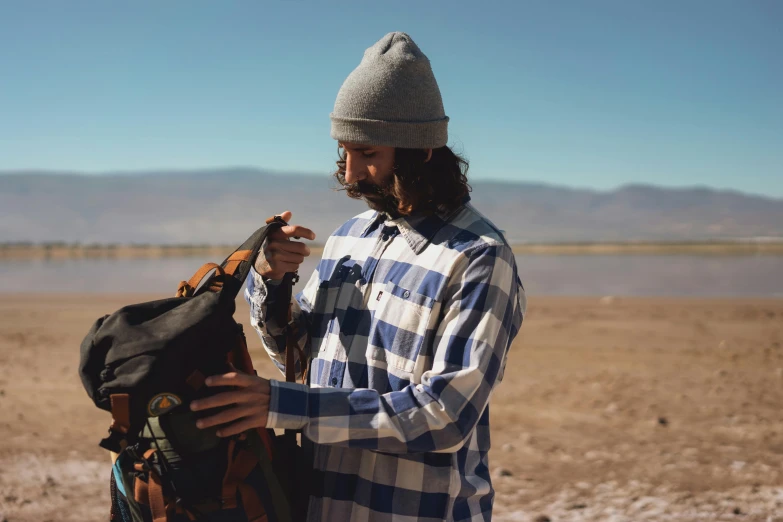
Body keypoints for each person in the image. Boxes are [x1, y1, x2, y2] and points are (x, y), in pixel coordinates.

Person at [190, 32, 527, 521]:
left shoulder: (477, 257)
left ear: (421, 151)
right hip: (320, 504)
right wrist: (272, 281)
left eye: (368, 154)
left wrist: (283, 405)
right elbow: (300, 357)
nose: (350, 176)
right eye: (345, 153)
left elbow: (445, 416)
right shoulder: (350, 237)